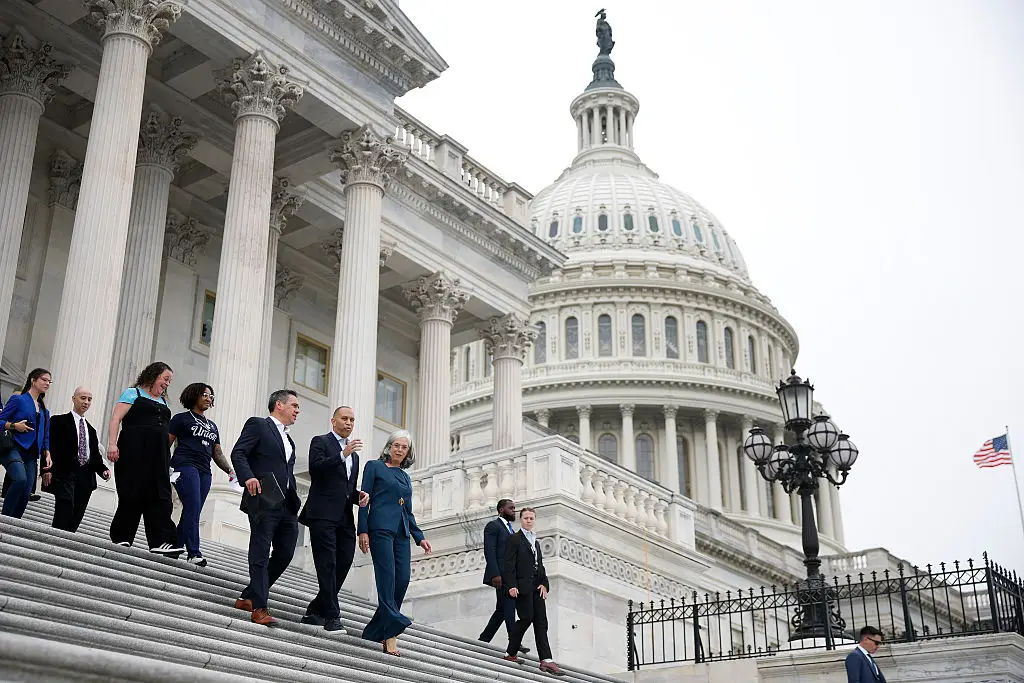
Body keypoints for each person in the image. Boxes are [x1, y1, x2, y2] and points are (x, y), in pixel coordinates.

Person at [231, 389, 303, 627]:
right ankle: (259, 607)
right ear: (279, 405)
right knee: (260, 551)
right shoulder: (259, 425)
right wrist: (248, 477)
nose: (297, 410)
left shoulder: (290, 438)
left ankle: (249, 595)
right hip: (263, 497)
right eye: (294, 405)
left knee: (285, 552)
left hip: (286, 504)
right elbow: (239, 452)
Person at [357, 430, 432, 656]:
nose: (400, 450)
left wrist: (420, 537)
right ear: (389, 447)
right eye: (396, 445)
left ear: (408, 452)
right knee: (387, 578)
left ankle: (376, 628)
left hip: (402, 532)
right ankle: (390, 634)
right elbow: (363, 501)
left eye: (404, 447)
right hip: (379, 528)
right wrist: (363, 530)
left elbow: (407, 510)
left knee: (403, 579)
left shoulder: (405, 476)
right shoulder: (374, 467)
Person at [299, 406, 370, 632]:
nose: (349, 423)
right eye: (345, 418)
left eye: (352, 419)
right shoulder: (320, 442)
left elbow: (345, 488)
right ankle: (331, 616)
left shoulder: (355, 457)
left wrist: (358, 496)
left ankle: (316, 608)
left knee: (344, 561)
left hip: (344, 517)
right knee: (327, 563)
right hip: (321, 514)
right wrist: (342, 454)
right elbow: (316, 470)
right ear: (333, 421)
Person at [107, 361, 184, 556]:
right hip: (133, 449)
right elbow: (116, 418)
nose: (167, 384)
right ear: (153, 375)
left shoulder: (164, 402)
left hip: (158, 456)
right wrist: (112, 443)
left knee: (160, 494)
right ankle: (122, 536)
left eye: (169, 381)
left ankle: (162, 540)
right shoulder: (133, 393)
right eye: (165, 379)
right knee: (131, 492)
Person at [169, 383, 235, 567]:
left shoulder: (212, 426)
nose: (208, 398)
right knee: (193, 505)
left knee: (194, 509)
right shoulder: (181, 419)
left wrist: (230, 470)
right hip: (184, 465)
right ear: (194, 396)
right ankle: (194, 552)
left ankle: (175, 547)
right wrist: (164, 467)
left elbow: (218, 453)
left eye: (211, 396)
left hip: (205, 470)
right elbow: (165, 445)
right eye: (205, 395)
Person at [503, 507, 564, 676]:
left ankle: (546, 660)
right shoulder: (514, 539)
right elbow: (508, 565)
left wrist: (545, 584)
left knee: (541, 623)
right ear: (521, 520)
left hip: (537, 588)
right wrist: (511, 586)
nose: (529, 521)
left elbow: (540, 566)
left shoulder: (535, 541)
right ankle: (511, 652)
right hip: (522, 588)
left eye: (531, 518)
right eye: (526, 518)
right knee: (526, 617)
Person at [42, 387, 109, 532]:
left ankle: (65, 547)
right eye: (83, 398)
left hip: (85, 477)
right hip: (65, 473)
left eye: (89, 399)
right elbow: (49, 447)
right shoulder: (58, 421)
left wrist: (103, 470)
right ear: (74, 399)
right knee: (64, 507)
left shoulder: (91, 430)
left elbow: (95, 456)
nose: (86, 402)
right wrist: (47, 470)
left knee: (76, 516)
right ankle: (55, 542)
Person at [478, 498, 529, 654]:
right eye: (510, 508)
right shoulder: (493, 526)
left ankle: (483, 640)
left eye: (514, 508)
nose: (514, 510)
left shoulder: (510, 530)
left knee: (501, 610)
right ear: (501, 510)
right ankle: (514, 640)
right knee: (509, 605)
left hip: (510, 574)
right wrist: (495, 573)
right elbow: (490, 550)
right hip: (501, 575)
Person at [0, 369, 52, 518]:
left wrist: (47, 452)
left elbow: (45, 436)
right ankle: (4, 518)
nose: (47, 383)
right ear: (33, 380)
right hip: (14, 447)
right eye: (44, 380)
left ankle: (14, 521)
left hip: (32, 454)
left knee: (26, 492)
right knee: (20, 479)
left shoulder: (44, 411)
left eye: (49, 381)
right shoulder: (18, 400)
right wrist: (14, 426)